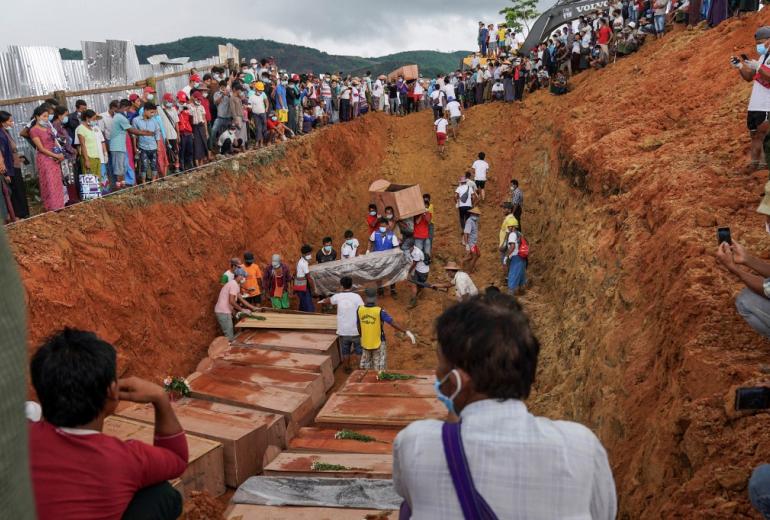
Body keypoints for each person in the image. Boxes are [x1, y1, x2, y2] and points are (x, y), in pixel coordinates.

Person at [393, 293, 616, 519]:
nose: (438, 376)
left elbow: (410, 496)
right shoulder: (582, 447)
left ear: (457, 382)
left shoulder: (416, 443)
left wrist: (452, 427)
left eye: (440, 367)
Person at [29, 328, 189, 519]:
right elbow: (177, 459)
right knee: (162, 495)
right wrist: (160, 398)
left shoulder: (18, 439)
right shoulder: (126, 459)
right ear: (113, 391)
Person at [734, 26, 770, 172]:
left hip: (766, 105)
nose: (758, 46)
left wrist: (758, 67)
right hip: (755, 104)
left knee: (763, 135)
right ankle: (754, 164)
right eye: (757, 43)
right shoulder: (762, 57)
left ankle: (763, 166)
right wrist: (740, 66)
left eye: (761, 42)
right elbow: (750, 77)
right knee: (754, 134)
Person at [357, 287, 415, 370]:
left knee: (367, 366)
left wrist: (363, 337)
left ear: (366, 297)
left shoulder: (359, 310)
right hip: (379, 343)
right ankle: (378, 380)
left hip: (365, 342)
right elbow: (392, 323)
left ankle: (368, 381)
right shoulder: (379, 311)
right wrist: (405, 331)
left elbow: (358, 327)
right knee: (379, 367)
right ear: (375, 297)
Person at [318, 276, 364, 373]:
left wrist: (321, 301)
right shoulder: (357, 297)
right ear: (351, 285)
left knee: (345, 350)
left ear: (341, 286)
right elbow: (363, 310)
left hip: (343, 331)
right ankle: (360, 369)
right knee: (358, 350)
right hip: (355, 330)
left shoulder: (337, 297)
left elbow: (328, 300)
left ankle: (347, 368)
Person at [29, 106, 66, 212]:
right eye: (44, 116)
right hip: (45, 159)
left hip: (55, 157)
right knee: (49, 182)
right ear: (37, 117)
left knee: (57, 182)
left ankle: (59, 205)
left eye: (47, 116)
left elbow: (55, 142)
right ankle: (51, 207)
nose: (46, 119)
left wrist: (60, 154)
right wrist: (56, 156)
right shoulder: (33, 130)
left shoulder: (48, 128)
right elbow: (41, 148)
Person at [111, 100, 153, 188]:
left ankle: (123, 186)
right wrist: (144, 133)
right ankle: (120, 188)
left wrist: (143, 132)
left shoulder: (119, 116)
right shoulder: (120, 117)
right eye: (129, 108)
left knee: (122, 167)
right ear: (125, 107)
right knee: (119, 169)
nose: (129, 110)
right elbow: (131, 130)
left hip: (120, 146)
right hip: (117, 146)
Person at [0, 111, 30, 218]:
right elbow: (3, 155)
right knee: (16, 192)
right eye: (9, 121)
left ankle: (24, 213)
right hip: (10, 168)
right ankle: (19, 214)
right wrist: (6, 172)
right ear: (2, 122)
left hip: (15, 166)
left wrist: (19, 157)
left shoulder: (5, 133)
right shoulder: (1, 135)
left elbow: (11, 150)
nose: (12, 123)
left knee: (20, 190)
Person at [215, 268, 256, 340]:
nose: (244, 279)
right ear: (239, 276)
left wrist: (253, 308)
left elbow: (241, 299)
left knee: (230, 333)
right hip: (223, 312)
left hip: (224, 311)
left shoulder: (234, 284)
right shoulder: (234, 285)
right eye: (243, 277)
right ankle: (228, 349)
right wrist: (242, 310)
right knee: (229, 336)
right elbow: (231, 301)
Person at [368, 217, 400, 297]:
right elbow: (370, 241)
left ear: (387, 226)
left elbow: (396, 247)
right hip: (377, 259)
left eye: (384, 226)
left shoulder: (392, 235)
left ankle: (393, 290)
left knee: (391, 274)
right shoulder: (375, 233)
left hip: (389, 259)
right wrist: (368, 250)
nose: (382, 228)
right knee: (379, 274)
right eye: (381, 226)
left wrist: (397, 255)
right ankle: (380, 289)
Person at [504, 221, 528, 296]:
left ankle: (509, 297)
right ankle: (522, 291)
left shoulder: (512, 234)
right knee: (521, 275)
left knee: (512, 276)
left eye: (509, 226)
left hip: (516, 257)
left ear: (513, 227)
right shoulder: (520, 234)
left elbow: (512, 246)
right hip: (522, 257)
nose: (508, 228)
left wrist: (506, 256)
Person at [407, 238, 430, 308]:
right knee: (417, 284)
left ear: (412, 246)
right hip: (423, 270)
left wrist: (408, 272)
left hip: (421, 272)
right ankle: (417, 296)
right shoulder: (415, 249)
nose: (408, 249)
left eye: (409, 247)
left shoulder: (416, 252)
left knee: (414, 285)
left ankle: (413, 302)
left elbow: (414, 264)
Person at [295, 245, 316, 313]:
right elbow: (309, 278)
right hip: (302, 286)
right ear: (304, 254)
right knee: (309, 308)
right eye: (309, 253)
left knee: (303, 304)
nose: (310, 255)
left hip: (299, 285)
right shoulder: (304, 263)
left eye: (310, 253)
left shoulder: (301, 260)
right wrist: (313, 290)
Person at [463, 207, 481, 273]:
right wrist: (467, 244)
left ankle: (464, 261)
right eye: (477, 215)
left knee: (478, 254)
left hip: (474, 242)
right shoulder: (469, 221)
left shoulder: (475, 221)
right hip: (471, 243)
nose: (478, 216)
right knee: (475, 256)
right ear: (473, 214)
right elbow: (466, 233)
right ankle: (469, 271)